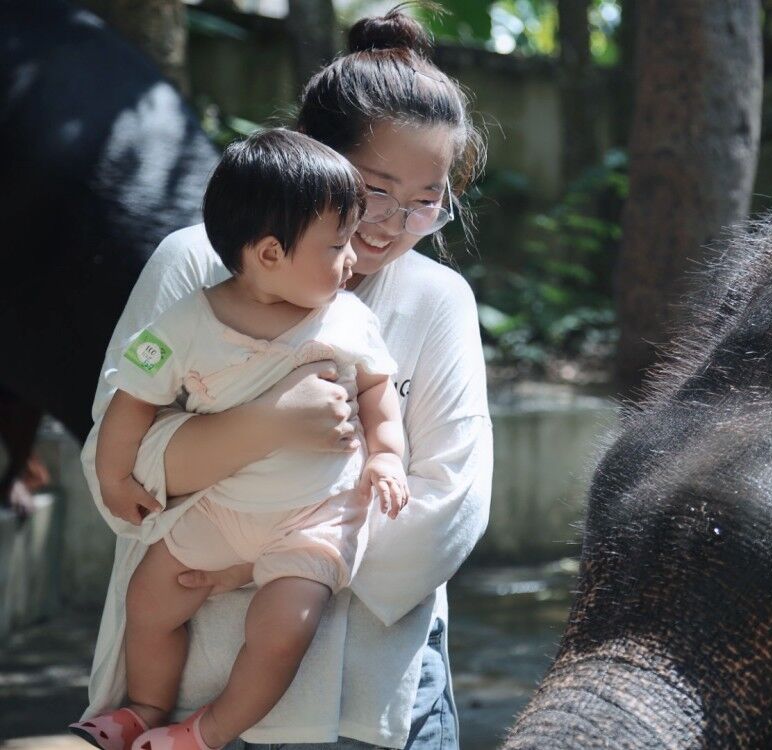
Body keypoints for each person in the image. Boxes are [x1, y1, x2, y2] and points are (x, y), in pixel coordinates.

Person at [77, 8, 491, 749]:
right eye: (372, 191)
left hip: (373, 699)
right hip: (189, 682)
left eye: (426, 201)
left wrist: (255, 557)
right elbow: (120, 470)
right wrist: (268, 423)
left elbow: (446, 505)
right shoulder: (191, 267)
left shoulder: (437, 301)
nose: (393, 224)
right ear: (309, 161)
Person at [71, 128, 411, 750]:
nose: (352, 259)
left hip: (315, 515)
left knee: (284, 627)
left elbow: (376, 393)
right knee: (149, 600)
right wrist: (116, 477)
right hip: (222, 506)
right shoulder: (181, 325)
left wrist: (387, 456)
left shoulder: (348, 320)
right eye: (336, 245)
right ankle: (145, 706)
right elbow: (131, 399)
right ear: (270, 254)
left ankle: (208, 730)